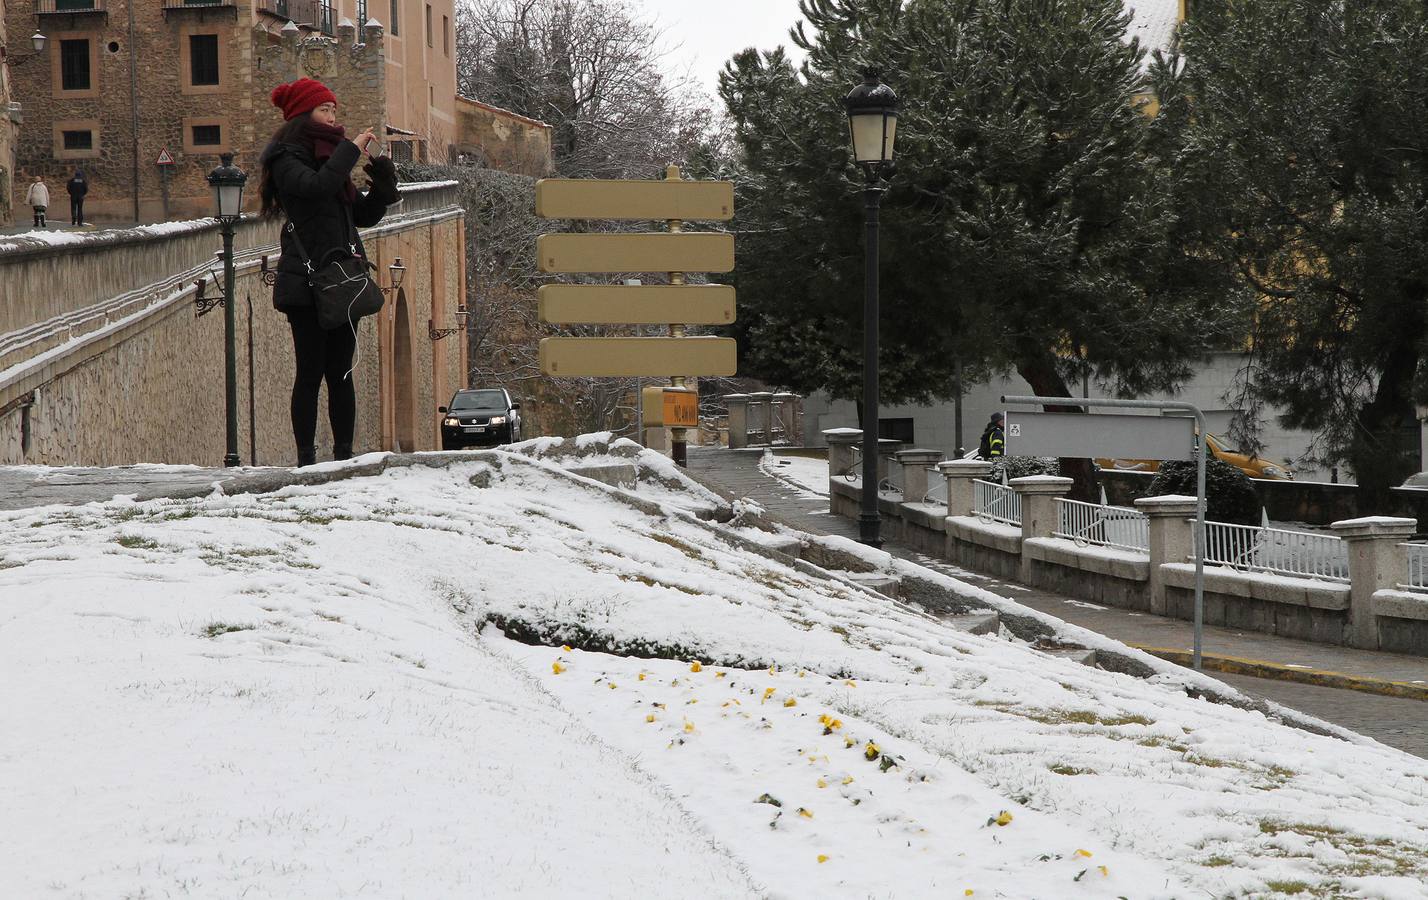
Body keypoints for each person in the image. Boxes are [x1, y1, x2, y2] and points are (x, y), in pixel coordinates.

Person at [259, 77, 399, 467]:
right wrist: (349, 152)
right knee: (310, 371)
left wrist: (384, 187)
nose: (332, 115)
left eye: (334, 109)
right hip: (304, 282)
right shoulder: (288, 159)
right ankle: (306, 458)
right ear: (304, 115)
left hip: (342, 279)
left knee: (341, 371)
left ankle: (343, 455)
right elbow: (316, 188)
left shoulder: (330, 157)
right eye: (325, 109)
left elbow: (362, 216)